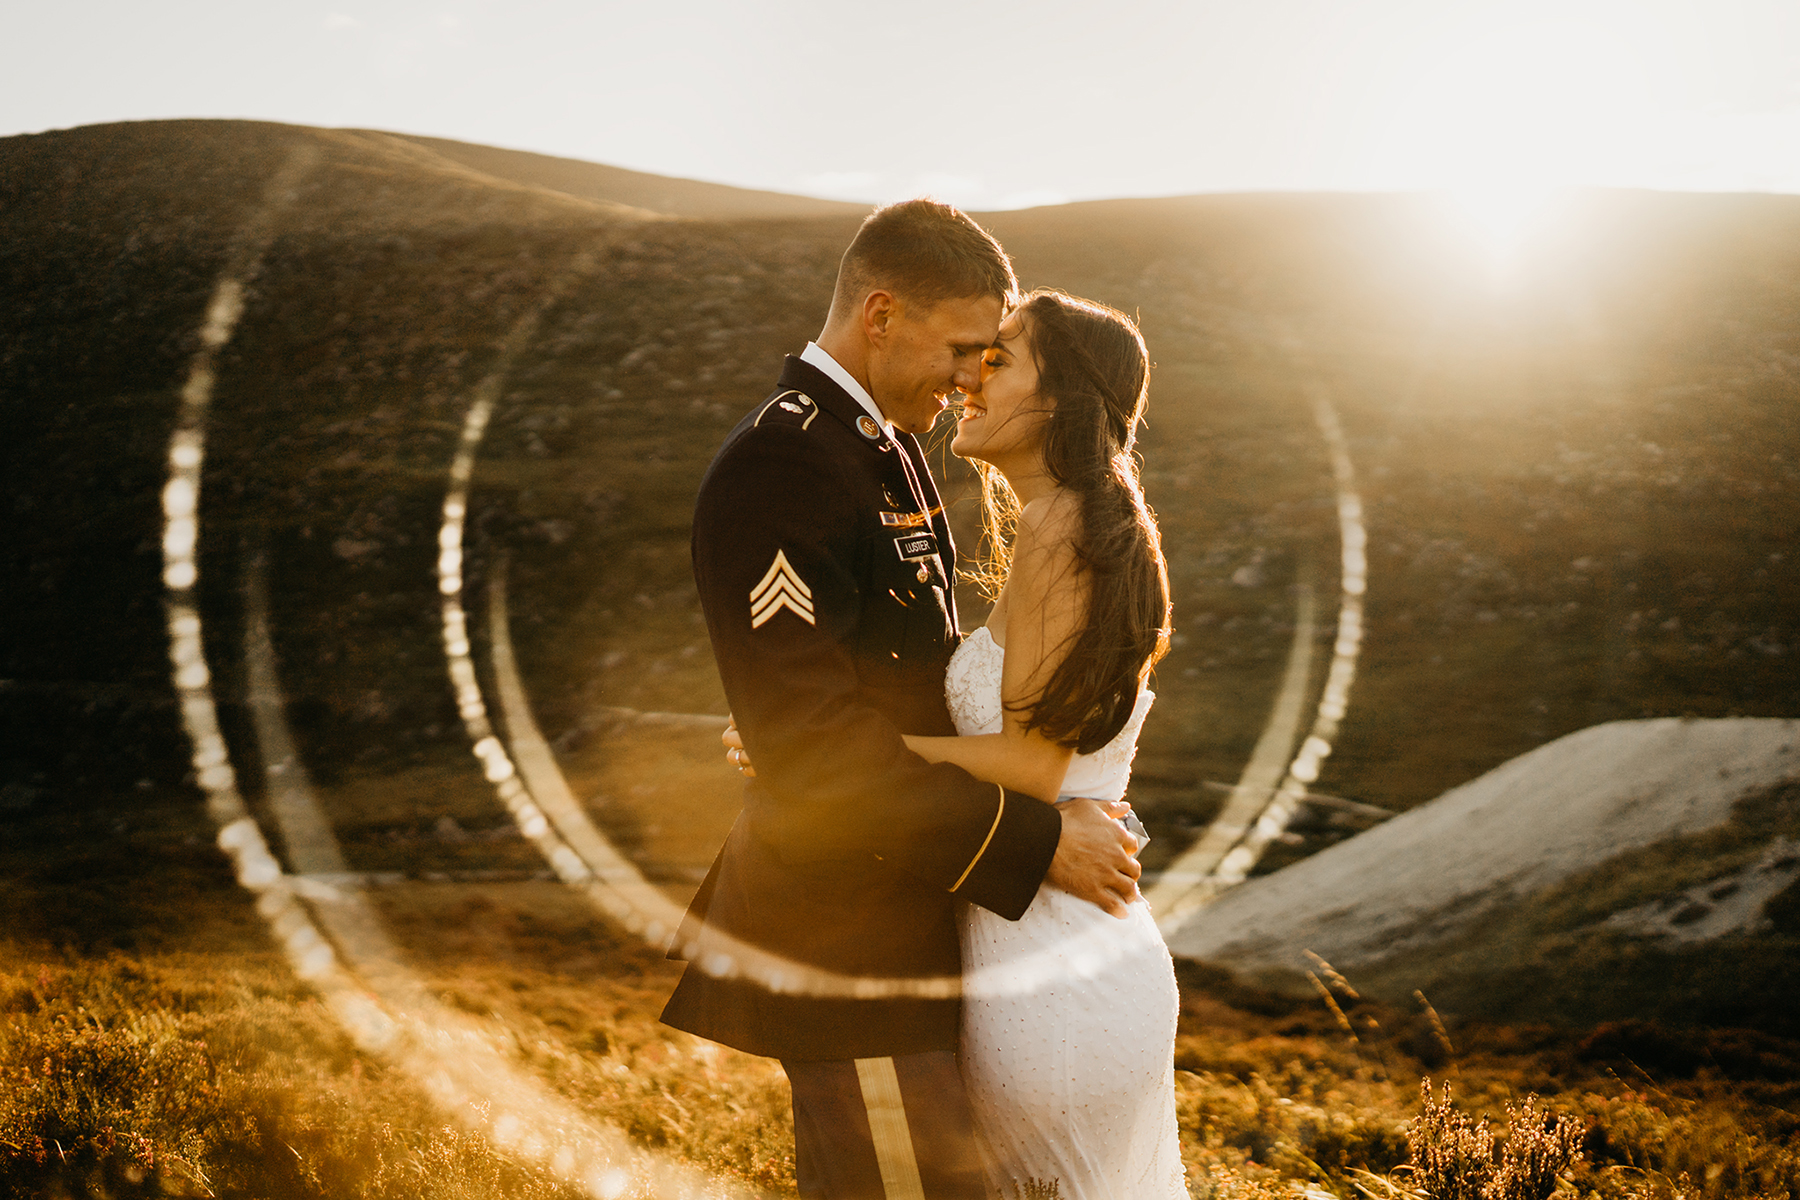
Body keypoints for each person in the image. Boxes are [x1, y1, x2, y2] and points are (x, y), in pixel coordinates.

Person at [661, 200, 1144, 1200]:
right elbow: (817, 751)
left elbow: (885, 692)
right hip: (852, 942)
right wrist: (1040, 840)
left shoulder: (888, 444)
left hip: (915, 918)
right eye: (966, 347)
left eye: (992, 358)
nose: (974, 378)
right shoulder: (783, 464)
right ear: (882, 313)